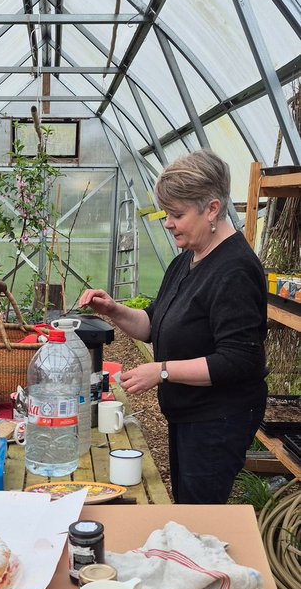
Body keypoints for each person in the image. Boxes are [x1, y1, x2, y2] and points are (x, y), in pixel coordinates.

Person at [80, 150, 268, 504]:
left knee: (199, 513)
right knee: (186, 503)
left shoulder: (235, 271)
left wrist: (161, 372)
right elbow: (154, 323)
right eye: (167, 213)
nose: (168, 223)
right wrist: (113, 310)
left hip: (219, 418)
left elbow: (239, 361)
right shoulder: (188, 259)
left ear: (212, 209)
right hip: (189, 413)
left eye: (177, 214)